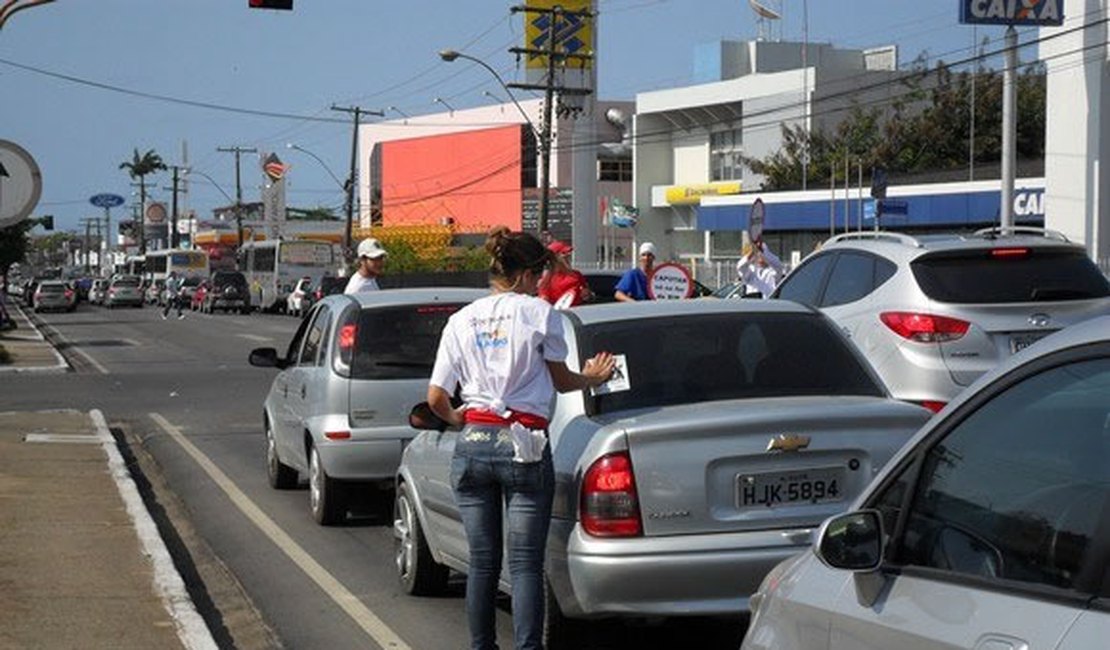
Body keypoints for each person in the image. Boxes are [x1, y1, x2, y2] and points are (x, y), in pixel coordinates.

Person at [427, 227, 616, 650]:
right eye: (542, 275)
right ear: (529, 275)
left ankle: (482, 646)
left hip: (473, 441)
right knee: (526, 563)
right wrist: (593, 376)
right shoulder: (538, 313)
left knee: (482, 562)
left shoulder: (460, 320)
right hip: (524, 444)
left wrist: (461, 418)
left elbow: (436, 397)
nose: (544, 283)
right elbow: (562, 380)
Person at [537, 240, 591, 308]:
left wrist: (586, 294)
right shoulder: (547, 278)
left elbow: (587, 295)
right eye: (564, 254)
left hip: (577, 314)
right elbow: (543, 303)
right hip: (557, 315)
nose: (568, 256)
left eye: (569, 254)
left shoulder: (577, 274)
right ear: (555, 258)